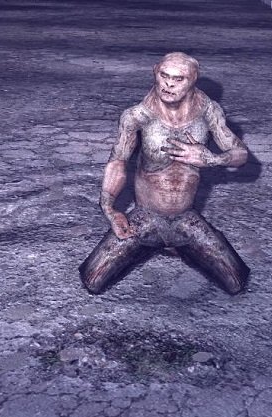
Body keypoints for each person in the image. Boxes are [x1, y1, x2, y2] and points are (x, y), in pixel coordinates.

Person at [79, 52, 250, 295]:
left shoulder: (209, 111)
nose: (169, 84)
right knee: (93, 280)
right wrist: (109, 210)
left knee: (236, 283)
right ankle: (152, 245)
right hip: (146, 217)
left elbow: (240, 154)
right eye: (164, 76)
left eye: (178, 79)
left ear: (193, 80)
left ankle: (181, 246)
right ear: (155, 73)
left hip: (185, 218)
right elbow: (117, 162)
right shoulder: (136, 116)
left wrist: (212, 159)